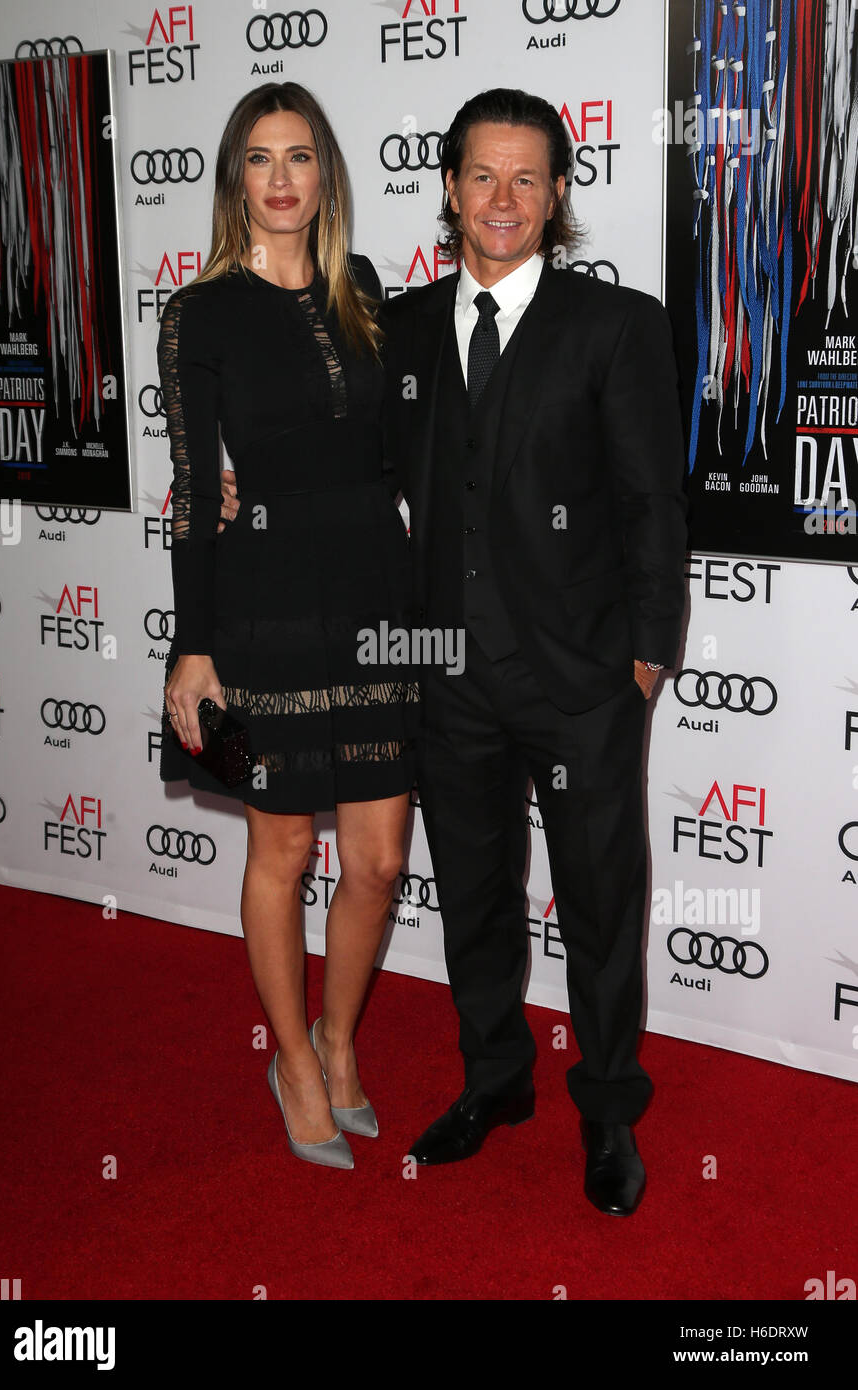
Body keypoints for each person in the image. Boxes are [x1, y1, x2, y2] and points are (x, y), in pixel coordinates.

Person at [379, 88, 688, 1214]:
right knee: (473, 894)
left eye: (526, 179)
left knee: (601, 903)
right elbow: (357, 479)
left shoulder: (617, 325)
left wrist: (646, 657)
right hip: (446, 679)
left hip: (582, 680)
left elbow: (655, 502)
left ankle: (607, 1109)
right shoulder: (403, 327)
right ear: (450, 187)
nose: (500, 200)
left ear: (559, 193)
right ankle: (497, 1079)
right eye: (480, 176)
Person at [157, 82, 418, 1171]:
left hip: (374, 592)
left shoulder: (365, 291)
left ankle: (339, 1036)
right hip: (260, 600)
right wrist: (193, 641)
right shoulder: (201, 311)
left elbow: (404, 451)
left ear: (325, 175)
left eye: (299, 157)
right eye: (258, 159)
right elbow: (189, 486)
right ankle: (294, 1064)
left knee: (378, 859)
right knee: (285, 845)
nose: (279, 180)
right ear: (234, 180)